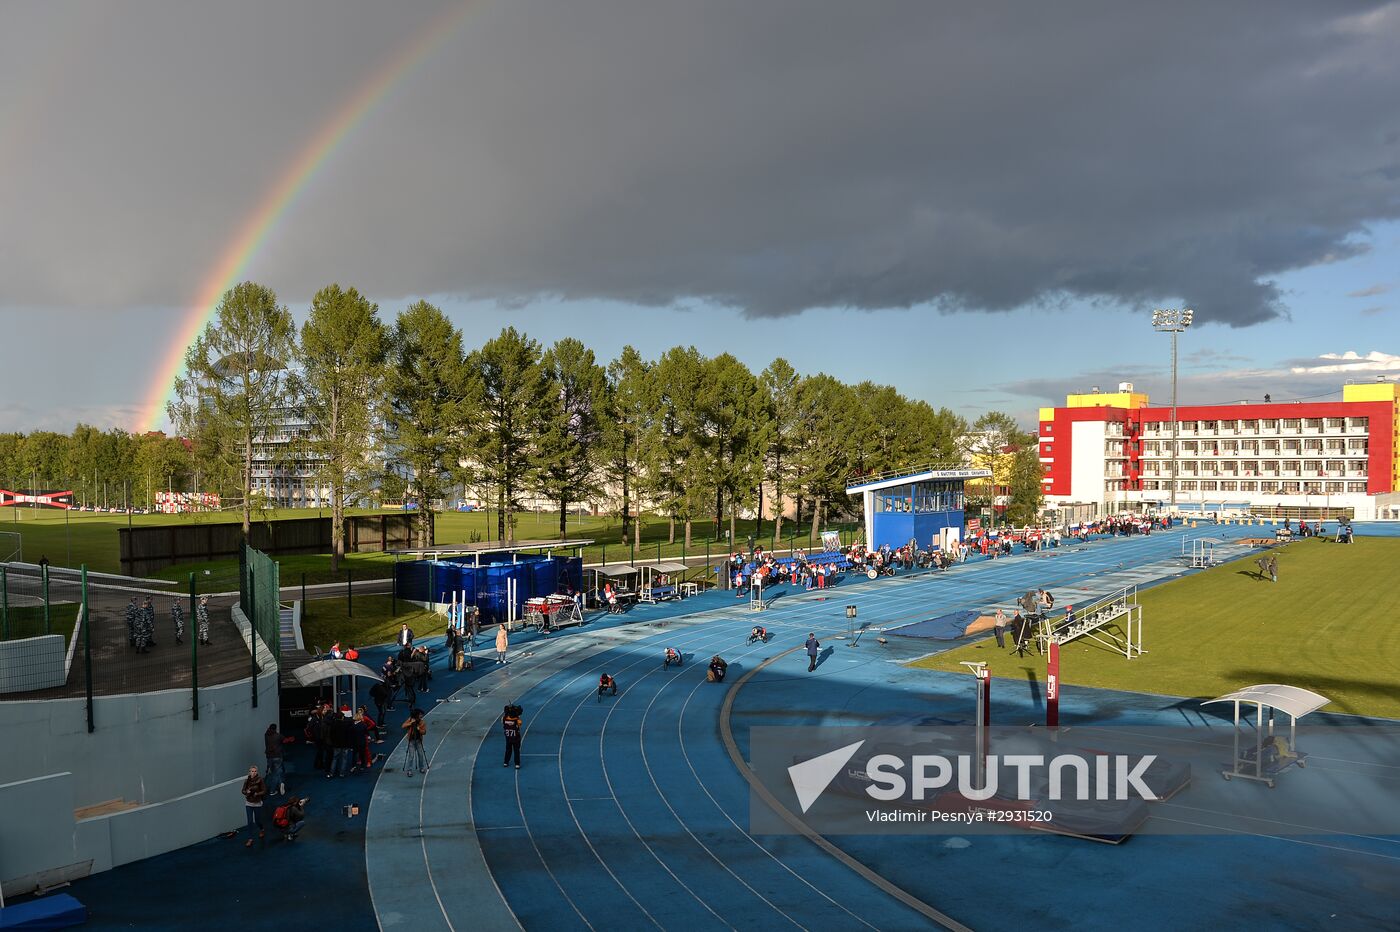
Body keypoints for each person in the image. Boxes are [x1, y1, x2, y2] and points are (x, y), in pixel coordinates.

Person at [241, 765, 268, 848]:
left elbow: (264, 790)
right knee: (249, 821)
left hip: (257, 803)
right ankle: (250, 839)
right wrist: (246, 791)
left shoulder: (260, 780)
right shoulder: (247, 780)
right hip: (249, 803)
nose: (253, 772)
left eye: (255, 771)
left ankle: (262, 829)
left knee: (257, 820)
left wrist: (257, 793)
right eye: (252, 771)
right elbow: (242, 790)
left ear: (257, 772)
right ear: (249, 772)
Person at [403, 708, 428, 776]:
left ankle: (421, 768)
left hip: (418, 741)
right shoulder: (410, 719)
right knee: (411, 756)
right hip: (411, 741)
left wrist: (419, 729)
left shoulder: (422, 722)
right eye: (420, 714)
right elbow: (403, 726)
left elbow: (424, 732)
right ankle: (409, 770)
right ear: (416, 715)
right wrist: (411, 723)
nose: (421, 716)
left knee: (421, 755)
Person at [264, 723, 286, 797]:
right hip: (277, 756)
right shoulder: (278, 736)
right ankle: (272, 790)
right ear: (275, 729)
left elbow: (267, 733)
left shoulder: (266, 735)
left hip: (269, 756)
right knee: (276, 773)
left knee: (271, 772)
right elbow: (284, 739)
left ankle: (280, 784)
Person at [502, 704, 523, 769]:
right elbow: (520, 724)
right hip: (516, 738)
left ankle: (506, 762)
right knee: (516, 750)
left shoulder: (504, 719)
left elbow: (503, 721)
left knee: (508, 750)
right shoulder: (517, 720)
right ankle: (517, 764)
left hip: (508, 738)